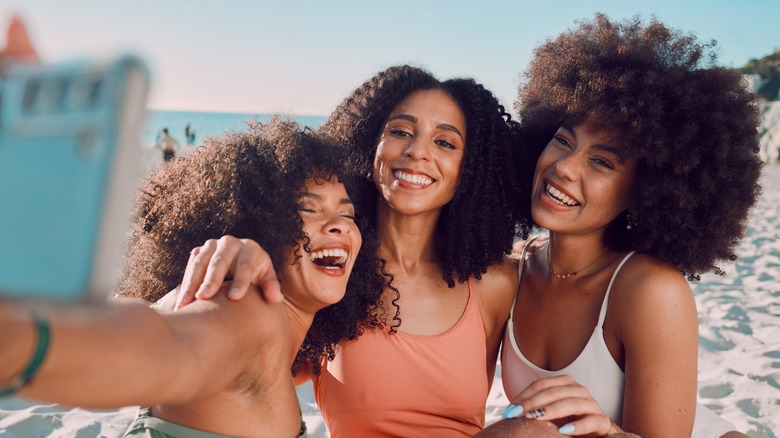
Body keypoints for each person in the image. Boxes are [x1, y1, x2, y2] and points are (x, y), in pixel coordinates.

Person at [177, 65, 532, 436]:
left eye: (444, 142)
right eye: (400, 132)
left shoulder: (496, 284)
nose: (416, 152)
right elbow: (246, 375)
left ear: (470, 170)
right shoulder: (330, 272)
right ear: (370, 142)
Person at [0, 118, 387, 437]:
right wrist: (24, 341)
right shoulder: (246, 308)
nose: (338, 226)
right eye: (308, 209)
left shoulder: (284, 348)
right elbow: (165, 348)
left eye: (347, 214)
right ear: (258, 222)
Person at [492, 14, 760, 437]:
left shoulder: (651, 290)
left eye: (602, 161)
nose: (563, 167)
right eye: (563, 139)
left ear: (646, 190)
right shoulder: (511, 273)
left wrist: (607, 431)